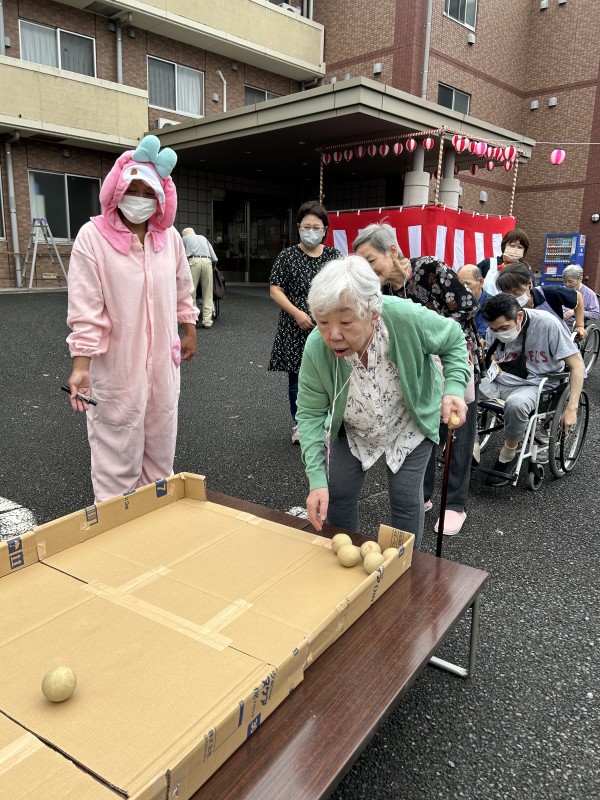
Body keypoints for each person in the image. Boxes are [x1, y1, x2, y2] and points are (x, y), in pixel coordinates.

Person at [296, 255, 469, 550]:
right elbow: (310, 413)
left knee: (405, 497)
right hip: (353, 426)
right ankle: (343, 556)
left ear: (373, 314)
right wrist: (316, 480)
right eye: (323, 322)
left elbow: (453, 338)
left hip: (409, 420)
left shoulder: (406, 317)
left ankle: (402, 566)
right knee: (336, 493)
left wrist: (453, 387)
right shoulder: (316, 347)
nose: (333, 335)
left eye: (346, 322)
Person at [66, 135, 197, 503]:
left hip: (162, 364)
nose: (138, 198)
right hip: (117, 365)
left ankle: (155, 520)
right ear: (117, 189)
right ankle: (115, 523)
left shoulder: (168, 237)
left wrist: (189, 329)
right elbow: (85, 308)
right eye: (132, 189)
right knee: (117, 451)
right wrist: (81, 365)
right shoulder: (93, 237)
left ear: (161, 197)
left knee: (160, 447)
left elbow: (182, 286)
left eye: (147, 192)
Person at [353, 222, 479, 537]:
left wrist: (430, 334)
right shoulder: (381, 291)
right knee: (421, 428)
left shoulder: (428, 269)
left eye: (371, 260)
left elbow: (466, 307)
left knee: (457, 430)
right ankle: (422, 494)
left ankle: (454, 503)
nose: (368, 270)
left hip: (453, 356)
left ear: (392, 251)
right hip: (417, 367)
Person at [479, 293, 584, 486]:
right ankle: (470, 444)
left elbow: (577, 365)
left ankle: (508, 452)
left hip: (537, 383)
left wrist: (572, 408)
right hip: (502, 378)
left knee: (516, 404)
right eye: (494, 329)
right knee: (465, 388)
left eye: (504, 328)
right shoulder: (494, 328)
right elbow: (492, 354)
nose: (499, 332)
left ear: (519, 316)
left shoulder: (547, 324)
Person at [268, 200, 342, 444]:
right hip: (295, 327)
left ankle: (328, 422)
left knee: (330, 376)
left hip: (328, 327)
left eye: (316, 227)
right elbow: (275, 289)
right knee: (297, 379)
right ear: (298, 227)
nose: (311, 232)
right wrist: (297, 313)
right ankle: (301, 424)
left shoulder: (334, 256)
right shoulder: (287, 256)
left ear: (325, 230)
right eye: (306, 227)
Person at [495, 261, 586, 338]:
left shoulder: (550, 293)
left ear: (529, 284)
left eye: (515, 291)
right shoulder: (506, 305)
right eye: (507, 293)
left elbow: (577, 296)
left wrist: (579, 326)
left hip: (558, 338)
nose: (512, 296)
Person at [181, 227, 218, 329]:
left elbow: (180, 256)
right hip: (207, 262)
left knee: (191, 292)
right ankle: (207, 321)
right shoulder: (203, 238)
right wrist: (213, 268)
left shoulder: (184, 239)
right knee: (208, 293)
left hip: (193, 262)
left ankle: (194, 318)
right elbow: (214, 258)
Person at [477, 228, 531, 297]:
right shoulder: (489, 263)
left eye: (520, 247)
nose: (515, 249)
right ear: (504, 245)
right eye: (512, 245)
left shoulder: (526, 269)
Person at [457, 264, 490, 338]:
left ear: (481, 282)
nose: (462, 288)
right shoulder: (453, 305)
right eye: (459, 284)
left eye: (466, 284)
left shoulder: (494, 306)